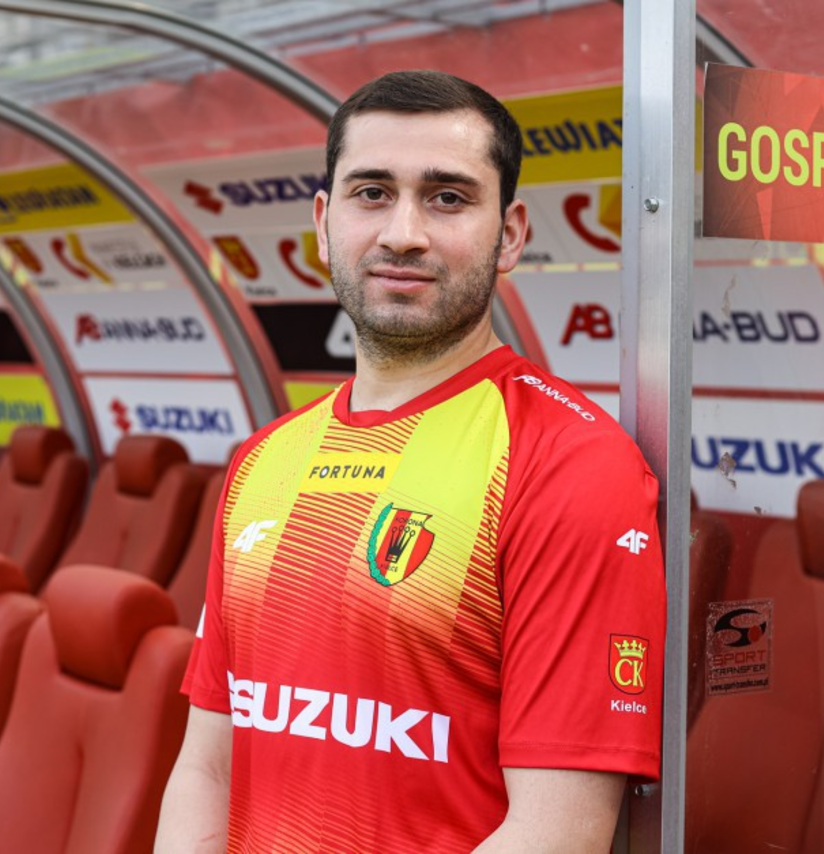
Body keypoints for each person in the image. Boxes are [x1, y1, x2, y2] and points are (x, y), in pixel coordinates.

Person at [155, 69, 667, 853]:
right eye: (371, 193)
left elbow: (555, 832)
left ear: (511, 234)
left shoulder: (568, 462)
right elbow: (207, 770)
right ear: (324, 223)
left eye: (447, 198)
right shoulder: (262, 460)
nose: (403, 233)